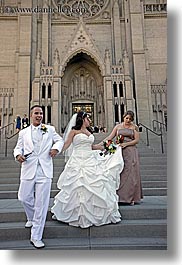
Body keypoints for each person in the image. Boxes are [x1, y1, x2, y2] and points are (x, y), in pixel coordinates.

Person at [51, 111, 124, 228]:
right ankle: (77, 214)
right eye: (87, 118)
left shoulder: (89, 132)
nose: (89, 120)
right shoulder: (73, 132)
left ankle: (96, 212)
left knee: (96, 184)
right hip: (78, 160)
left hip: (91, 160)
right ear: (82, 119)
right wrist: (55, 150)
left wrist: (108, 147)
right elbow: (66, 145)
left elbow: (92, 147)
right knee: (78, 185)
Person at [13, 105, 64, 249]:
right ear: (31, 115)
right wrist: (18, 155)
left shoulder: (50, 129)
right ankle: (31, 217)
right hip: (28, 167)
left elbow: (60, 140)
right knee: (23, 197)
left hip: (45, 170)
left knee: (41, 204)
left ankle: (36, 236)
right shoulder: (23, 133)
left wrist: (56, 148)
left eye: (41, 113)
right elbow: (18, 147)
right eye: (36, 113)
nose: (39, 115)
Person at [102, 110, 143, 205]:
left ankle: (131, 197)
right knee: (120, 172)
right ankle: (120, 197)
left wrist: (126, 144)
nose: (128, 120)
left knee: (131, 173)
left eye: (130, 119)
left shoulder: (134, 127)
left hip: (131, 151)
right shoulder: (118, 126)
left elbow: (136, 140)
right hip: (119, 151)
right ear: (123, 117)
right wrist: (100, 146)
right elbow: (109, 138)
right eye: (126, 118)